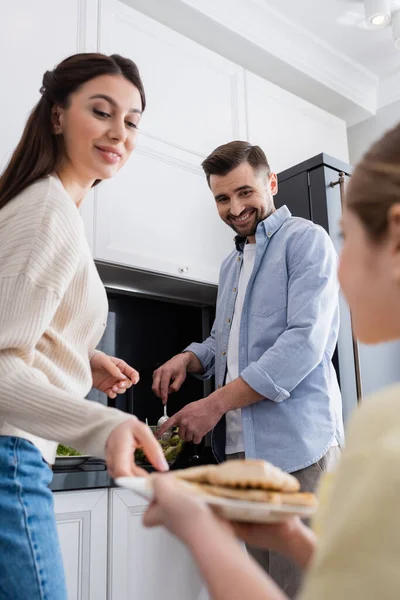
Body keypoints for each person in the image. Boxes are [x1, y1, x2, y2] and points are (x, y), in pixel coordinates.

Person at [146, 121, 400, 600]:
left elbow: (303, 344)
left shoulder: (306, 241)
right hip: (242, 452)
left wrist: (213, 404)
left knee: (307, 586)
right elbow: (225, 339)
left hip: (299, 450)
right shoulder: (231, 263)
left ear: (272, 182)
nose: (235, 208)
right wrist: (188, 358)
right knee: (261, 585)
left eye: (245, 192)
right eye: (222, 199)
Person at [0, 53, 168, 600]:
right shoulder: (49, 207)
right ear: (56, 115)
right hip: (10, 455)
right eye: (102, 111)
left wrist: (74, 354)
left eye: (133, 121)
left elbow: (17, 336)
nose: (119, 132)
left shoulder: (52, 205)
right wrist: (103, 427)